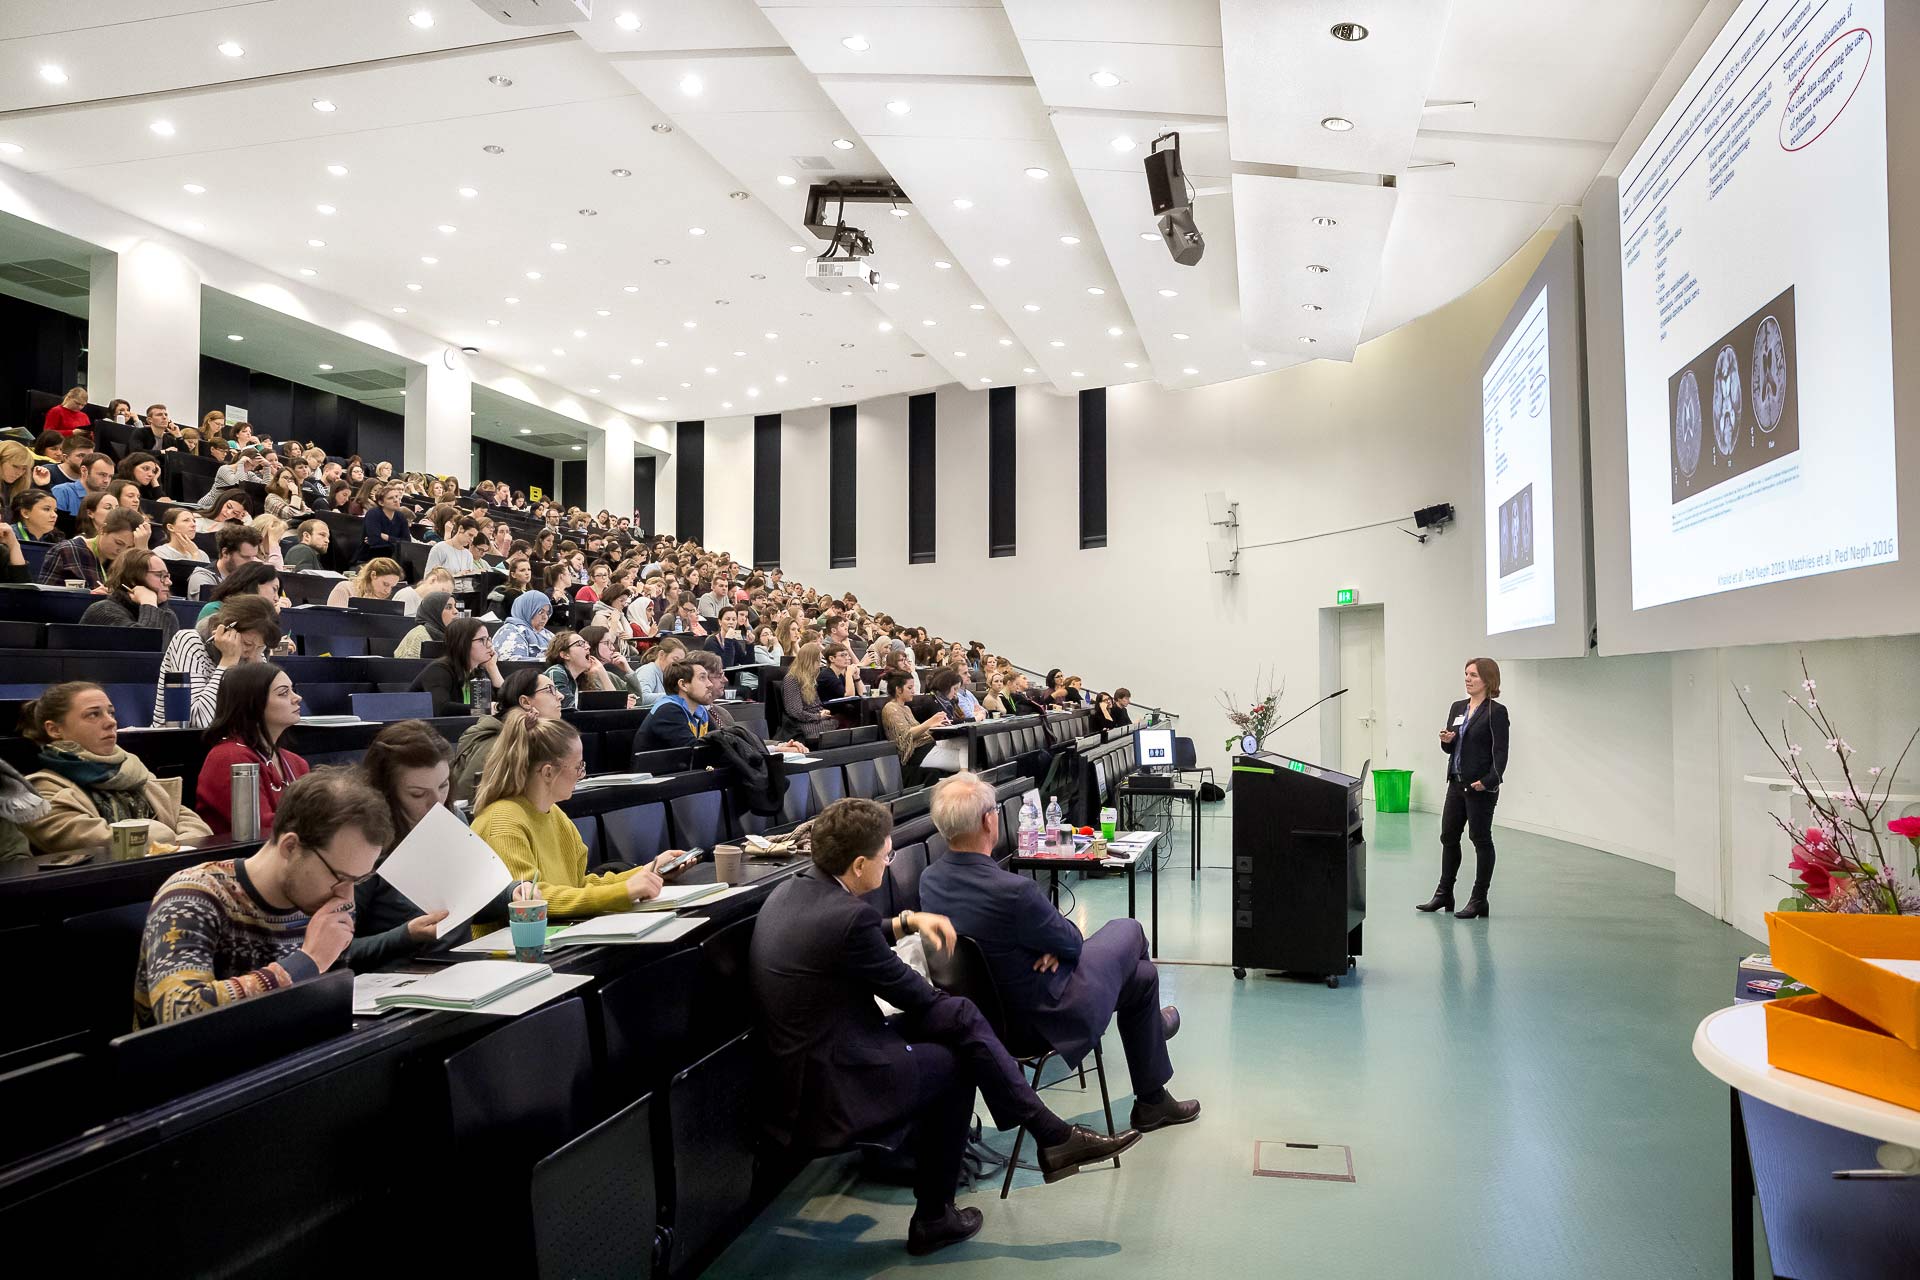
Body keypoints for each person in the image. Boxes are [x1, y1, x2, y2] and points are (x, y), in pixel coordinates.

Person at [749, 797, 1139, 1257]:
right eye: (886, 857)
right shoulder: (847, 918)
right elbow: (914, 995)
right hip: (830, 1085)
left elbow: (856, 932)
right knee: (956, 1054)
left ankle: (1049, 1136)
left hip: (799, 1069)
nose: (889, 862)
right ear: (858, 865)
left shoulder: (795, 890)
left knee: (959, 1024)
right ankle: (942, 1211)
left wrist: (907, 921)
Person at [920, 772, 1199, 1131]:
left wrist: (1047, 945)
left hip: (985, 1019)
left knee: (1143, 979)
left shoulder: (930, 881)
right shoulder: (1014, 892)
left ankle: (1153, 1101)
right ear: (989, 821)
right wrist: (1055, 947)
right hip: (1043, 1016)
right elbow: (1070, 941)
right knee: (1129, 929)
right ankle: (1155, 1032)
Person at [135, 768, 391, 1026]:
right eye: (339, 876)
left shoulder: (324, 903)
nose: (346, 895)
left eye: (357, 881)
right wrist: (307, 962)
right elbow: (179, 1013)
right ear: (290, 847)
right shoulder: (192, 896)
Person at [469, 715, 677, 917]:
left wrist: (648, 872)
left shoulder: (554, 813)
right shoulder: (502, 821)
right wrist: (623, 892)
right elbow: (532, 900)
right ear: (548, 772)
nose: (581, 774)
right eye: (579, 766)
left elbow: (578, 886)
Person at [347, 721, 510, 969]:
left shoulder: (454, 817)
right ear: (386, 792)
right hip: (397, 980)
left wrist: (513, 894)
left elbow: (472, 904)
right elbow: (338, 954)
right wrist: (405, 935)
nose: (436, 803)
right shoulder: (363, 843)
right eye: (417, 794)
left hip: (461, 967)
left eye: (443, 786)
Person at [19, 681, 214, 854]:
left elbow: (196, 827)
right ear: (54, 729)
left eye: (110, 712)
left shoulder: (136, 773)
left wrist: (170, 848)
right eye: (93, 714)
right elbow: (93, 841)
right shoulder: (40, 792)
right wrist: (168, 842)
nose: (111, 722)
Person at [1419, 657, 1510, 920]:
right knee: (1448, 836)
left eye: (1473, 675)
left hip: (1480, 786)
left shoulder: (1496, 712)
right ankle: (1443, 893)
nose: (1468, 679)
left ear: (1488, 680)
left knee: (1480, 840)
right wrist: (1447, 740)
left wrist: (1490, 781)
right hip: (1456, 783)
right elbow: (1451, 747)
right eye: (1466, 674)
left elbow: (1501, 753)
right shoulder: (1457, 707)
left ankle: (1479, 899)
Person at [195, 661, 310, 834]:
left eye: (292, 690)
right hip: (239, 858)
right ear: (253, 703)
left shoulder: (297, 763)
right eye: (284, 693)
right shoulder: (229, 758)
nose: (297, 697)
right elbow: (261, 829)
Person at [151, 594, 281, 728]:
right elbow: (199, 722)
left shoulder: (254, 653)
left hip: (233, 743)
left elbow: (270, 715)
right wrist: (228, 661)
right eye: (247, 644)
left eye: (261, 647)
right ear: (225, 630)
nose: (252, 654)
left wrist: (257, 670)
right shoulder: (190, 641)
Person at [449, 669, 562, 804]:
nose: (561, 696)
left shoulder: (531, 738)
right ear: (525, 702)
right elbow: (468, 800)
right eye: (550, 690)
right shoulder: (493, 743)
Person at [411, 617, 505, 716]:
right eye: (482, 640)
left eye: (488, 639)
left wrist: (492, 668)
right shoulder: (439, 670)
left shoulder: (477, 671)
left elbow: (506, 704)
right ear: (463, 643)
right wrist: (484, 709)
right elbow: (441, 708)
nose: (490, 645)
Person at [80, 548, 179, 642]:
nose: (169, 582)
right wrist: (148, 603)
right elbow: (144, 646)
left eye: (167, 576)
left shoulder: (168, 615)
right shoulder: (104, 611)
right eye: (159, 575)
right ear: (132, 579)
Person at [39, 504, 143, 589]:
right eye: (118, 543)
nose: (121, 551)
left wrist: (142, 548)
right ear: (103, 529)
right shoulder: (66, 551)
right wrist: (90, 596)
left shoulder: (125, 561)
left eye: (129, 547)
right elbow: (43, 596)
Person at [633, 655, 717, 750]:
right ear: (683, 685)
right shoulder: (668, 711)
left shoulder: (700, 710)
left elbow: (720, 741)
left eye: (708, 678)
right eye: (702, 678)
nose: (710, 684)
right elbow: (693, 751)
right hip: (657, 764)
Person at [881, 670, 946, 786]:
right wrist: (929, 723)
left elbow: (917, 731)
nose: (913, 691)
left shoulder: (906, 708)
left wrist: (933, 727)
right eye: (909, 688)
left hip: (925, 746)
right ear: (898, 689)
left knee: (963, 746)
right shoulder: (890, 708)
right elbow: (904, 736)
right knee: (964, 758)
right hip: (915, 754)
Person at [780, 642, 836, 747]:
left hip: (815, 719)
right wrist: (818, 716)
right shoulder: (791, 679)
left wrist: (822, 712)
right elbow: (795, 712)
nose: (819, 665)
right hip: (803, 724)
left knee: (843, 721)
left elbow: (815, 704)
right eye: (817, 661)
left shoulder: (810, 679)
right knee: (840, 727)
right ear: (809, 661)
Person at [187, 524, 264, 601]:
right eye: (245, 557)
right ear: (225, 553)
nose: (251, 562)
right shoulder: (203, 578)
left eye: (253, 557)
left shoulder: (254, 578)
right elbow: (210, 608)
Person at [580, 625, 645, 703]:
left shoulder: (611, 676)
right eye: (606, 643)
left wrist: (628, 670)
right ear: (591, 645)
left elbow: (638, 701)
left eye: (612, 643)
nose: (612, 648)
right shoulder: (583, 678)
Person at [541, 630, 601, 711]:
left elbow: (610, 706)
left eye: (586, 643)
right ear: (565, 655)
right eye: (580, 644)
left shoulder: (582, 678)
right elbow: (569, 707)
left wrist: (602, 673)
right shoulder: (556, 672)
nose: (588, 647)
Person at [493, 589, 555, 662]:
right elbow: (513, 663)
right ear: (527, 610)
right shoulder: (510, 631)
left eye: (547, 613)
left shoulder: (548, 635)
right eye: (541, 612)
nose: (545, 617)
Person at [395, 590, 455, 660]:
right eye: (449, 607)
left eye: (455, 606)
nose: (456, 611)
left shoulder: (451, 635)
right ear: (435, 611)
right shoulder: (419, 636)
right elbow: (409, 668)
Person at [52, 449, 113, 516]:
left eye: (110, 476)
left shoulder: (109, 499)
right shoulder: (63, 491)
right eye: (102, 474)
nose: (106, 481)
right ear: (84, 471)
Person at [325, 556, 403, 609]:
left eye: (392, 587)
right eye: (385, 584)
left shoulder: (380, 600)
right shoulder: (345, 588)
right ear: (373, 575)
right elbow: (335, 621)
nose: (388, 591)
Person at [362, 483, 411, 559]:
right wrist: (396, 541)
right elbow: (375, 541)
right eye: (391, 498)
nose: (396, 500)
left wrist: (387, 537)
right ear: (381, 502)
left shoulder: (401, 516)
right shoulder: (373, 514)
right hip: (370, 558)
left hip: (395, 558)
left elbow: (407, 542)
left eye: (397, 497)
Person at [635, 635, 684, 708]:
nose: (678, 665)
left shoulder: (668, 675)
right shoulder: (647, 671)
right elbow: (641, 698)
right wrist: (677, 696)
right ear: (661, 654)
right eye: (675, 659)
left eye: (681, 662)